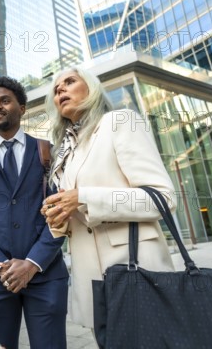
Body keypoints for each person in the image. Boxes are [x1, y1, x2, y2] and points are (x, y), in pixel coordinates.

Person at [41, 67, 176, 330]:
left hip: (136, 267)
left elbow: (163, 197)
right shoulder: (65, 150)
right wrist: (59, 216)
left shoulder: (120, 122)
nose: (61, 91)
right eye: (56, 90)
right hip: (91, 281)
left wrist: (84, 198)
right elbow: (78, 214)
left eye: (69, 82)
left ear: (91, 88)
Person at [0, 77, 69, 349]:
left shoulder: (47, 153)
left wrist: (32, 263)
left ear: (22, 108)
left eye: (5, 100)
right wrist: (0, 265)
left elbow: (60, 213)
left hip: (45, 274)